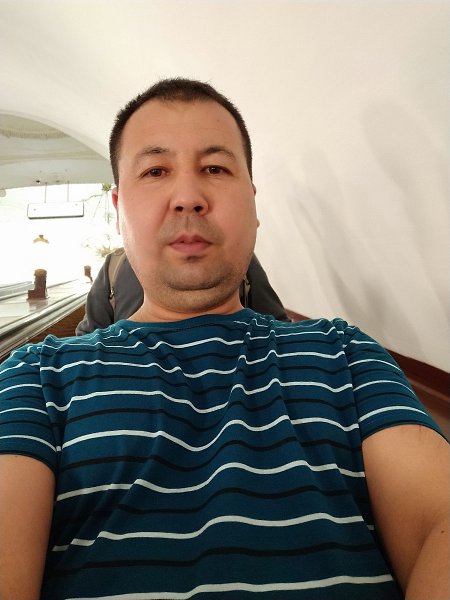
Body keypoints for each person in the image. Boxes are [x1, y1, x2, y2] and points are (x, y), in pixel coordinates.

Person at [0, 78, 448, 600]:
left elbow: (437, 519)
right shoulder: (36, 375)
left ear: (253, 203)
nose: (188, 197)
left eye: (215, 168)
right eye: (156, 171)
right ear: (119, 210)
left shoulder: (345, 354)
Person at [75, 250, 289, 334]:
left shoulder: (238, 260)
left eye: (214, 170)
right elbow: (90, 335)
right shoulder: (115, 265)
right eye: (156, 173)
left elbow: (278, 328)